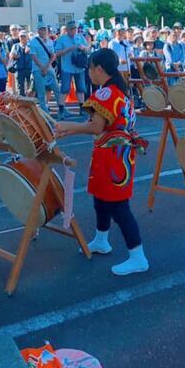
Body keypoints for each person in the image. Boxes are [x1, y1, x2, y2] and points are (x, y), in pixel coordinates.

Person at [56, 48, 149, 276]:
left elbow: (96, 127)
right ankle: (101, 239)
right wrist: (70, 131)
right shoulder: (118, 90)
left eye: (90, 68)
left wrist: (69, 126)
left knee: (118, 206)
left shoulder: (107, 93)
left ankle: (138, 256)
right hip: (116, 154)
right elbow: (101, 126)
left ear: (98, 69)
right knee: (101, 198)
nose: (88, 73)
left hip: (113, 156)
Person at [55, 21, 89, 118]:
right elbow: (57, 54)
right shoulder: (61, 39)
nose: (74, 30)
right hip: (67, 67)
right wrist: (69, 49)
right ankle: (61, 110)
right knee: (65, 88)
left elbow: (88, 49)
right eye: (72, 29)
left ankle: (82, 109)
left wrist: (84, 48)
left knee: (81, 88)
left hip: (79, 67)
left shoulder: (80, 37)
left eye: (75, 28)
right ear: (67, 30)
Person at [29, 25, 61, 115]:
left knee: (56, 88)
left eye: (44, 29)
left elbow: (53, 55)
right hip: (37, 69)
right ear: (38, 31)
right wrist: (42, 67)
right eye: (41, 29)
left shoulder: (50, 41)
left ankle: (62, 108)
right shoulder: (33, 42)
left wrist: (47, 66)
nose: (43, 31)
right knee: (41, 91)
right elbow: (33, 56)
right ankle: (45, 112)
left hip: (49, 68)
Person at [9, 30, 32, 96]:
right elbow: (11, 55)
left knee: (30, 88)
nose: (22, 38)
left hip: (29, 69)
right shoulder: (15, 46)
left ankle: (29, 102)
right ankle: (22, 104)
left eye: (24, 36)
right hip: (19, 69)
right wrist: (15, 56)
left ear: (27, 37)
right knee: (20, 88)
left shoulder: (31, 45)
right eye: (21, 36)